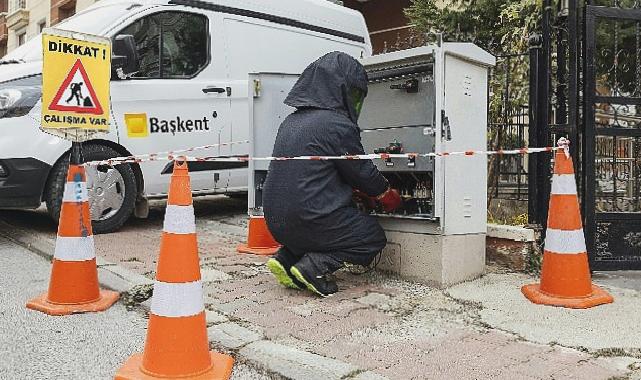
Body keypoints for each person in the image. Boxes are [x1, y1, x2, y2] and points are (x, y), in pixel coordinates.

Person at [262, 51, 402, 297]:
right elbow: (362, 172)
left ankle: (286, 259)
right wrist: (385, 193)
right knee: (371, 236)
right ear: (341, 90)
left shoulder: (291, 122)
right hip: (310, 219)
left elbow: (313, 174)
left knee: (314, 228)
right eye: (355, 94)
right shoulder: (336, 124)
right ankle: (314, 267)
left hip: (277, 224)